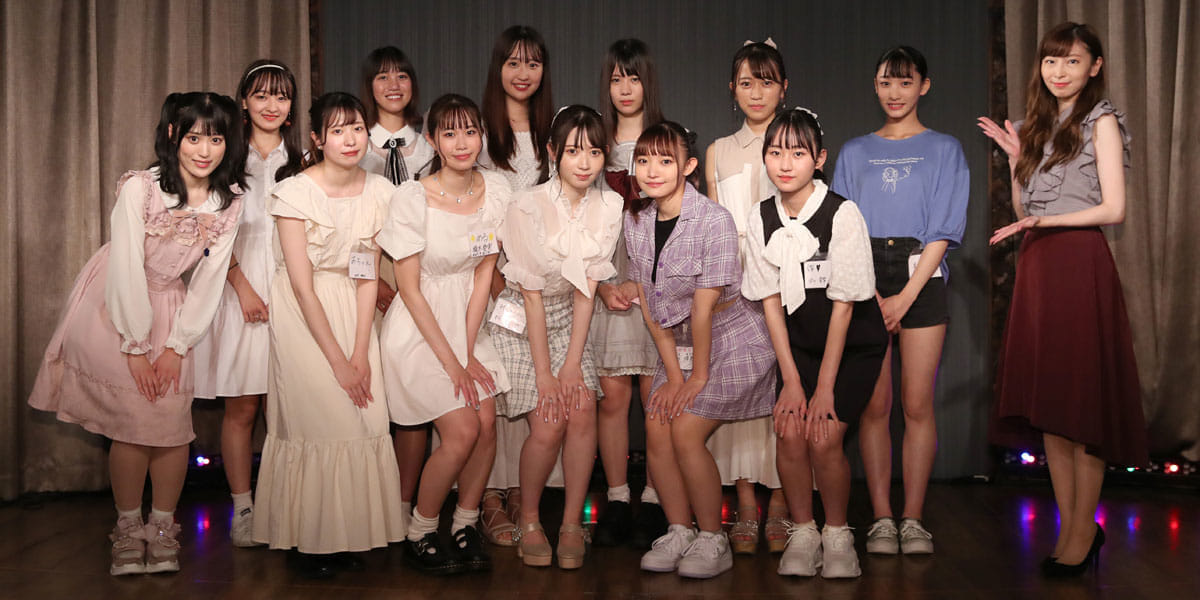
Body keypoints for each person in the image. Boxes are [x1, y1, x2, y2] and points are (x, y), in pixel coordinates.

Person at [29, 92, 246, 575]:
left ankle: (163, 527)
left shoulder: (228, 201)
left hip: (171, 306)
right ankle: (128, 528)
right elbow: (125, 263)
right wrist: (135, 345)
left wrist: (176, 345)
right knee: (131, 424)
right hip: (118, 301)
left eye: (216, 139)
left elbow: (210, 281)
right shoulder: (141, 188)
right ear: (173, 135)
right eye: (194, 138)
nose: (205, 150)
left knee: (170, 425)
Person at [978, 21, 1147, 577]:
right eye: (1052, 60)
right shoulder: (1036, 125)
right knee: (1051, 405)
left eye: (1072, 61)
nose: (1059, 71)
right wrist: (1014, 158)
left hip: (1079, 263)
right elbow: (1026, 208)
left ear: (1094, 67)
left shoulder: (1102, 122)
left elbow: (1113, 209)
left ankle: (1081, 531)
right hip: (1039, 266)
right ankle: (1073, 528)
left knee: (1081, 404)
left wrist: (1043, 222)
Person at [251, 92, 406, 578]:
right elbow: (301, 286)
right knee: (318, 419)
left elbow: (367, 273)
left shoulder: (380, 192)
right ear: (318, 139)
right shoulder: (294, 193)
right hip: (304, 313)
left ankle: (347, 534)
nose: (350, 139)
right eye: (337, 130)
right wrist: (338, 361)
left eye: (357, 128)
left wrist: (360, 351)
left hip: (353, 307)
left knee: (363, 417)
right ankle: (309, 540)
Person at [831, 45, 969, 555]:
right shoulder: (854, 151)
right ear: (875, 86)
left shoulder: (946, 148)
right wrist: (869, 291)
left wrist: (906, 297)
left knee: (916, 402)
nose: (895, 92)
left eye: (905, 82)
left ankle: (913, 518)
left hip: (921, 272)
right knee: (874, 405)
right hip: (863, 274)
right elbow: (841, 226)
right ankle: (882, 519)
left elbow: (944, 228)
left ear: (923, 87)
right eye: (886, 82)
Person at [627, 121, 776, 579]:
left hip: (732, 338)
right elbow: (650, 303)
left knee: (686, 430)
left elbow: (703, 308)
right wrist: (674, 376)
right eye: (643, 160)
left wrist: (695, 378)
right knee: (656, 424)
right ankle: (680, 529)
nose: (652, 170)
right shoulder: (636, 220)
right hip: (678, 343)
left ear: (689, 166)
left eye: (665, 160)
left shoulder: (714, 220)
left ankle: (713, 537)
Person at [743, 108, 887, 578]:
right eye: (775, 152)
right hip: (800, 347)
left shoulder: (842, 214)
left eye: (798, 153)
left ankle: (838, 533)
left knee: (823, 438)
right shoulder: (760, 216)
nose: (785, 164)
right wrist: (790, 380)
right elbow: (769, 303)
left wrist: (824, 389)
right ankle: (804, 531)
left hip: (852, 345)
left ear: (819, 159)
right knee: (789, 429)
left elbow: (844, 307)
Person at [379, 94, 511, 574]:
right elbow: (410, 290)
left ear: (482, 136)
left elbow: (483, 275)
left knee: (487, 420)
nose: (461, 143)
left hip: (467, 323)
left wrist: (468, 348)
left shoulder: (496, 191)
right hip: (419, 328)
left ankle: (465, 522)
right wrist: (453, 361)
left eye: (470, 131)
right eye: (449, 133)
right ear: (432, 140)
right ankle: (420, 530)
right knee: (462, 430)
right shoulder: (412, 197)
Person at [490, 105, 623, 570]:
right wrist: (547, 375)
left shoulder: (610, 206)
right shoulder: (525, 206)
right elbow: (529, 295)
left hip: (570, 315)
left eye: (594, 152)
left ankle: (570, 523)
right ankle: (529, 520)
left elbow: (587, 290)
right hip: (522, 320)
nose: (584, 163)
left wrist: (571, 366)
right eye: (573, 151)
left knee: (582, 408)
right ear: (552, 152)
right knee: (549, 420)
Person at [192, 60, 303, 547]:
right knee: (242, 407)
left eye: (281, 96)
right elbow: (207, 233)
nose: (271, 105)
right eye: (261, 95)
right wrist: (243, 287)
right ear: (243, 101)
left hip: (295, 294)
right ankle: (244, 508)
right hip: (240, 292)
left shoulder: (304, 159)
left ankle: (286, 504)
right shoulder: (224, 158)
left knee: (289, 408)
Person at [703, 39, 790, 555]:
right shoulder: (718, 150)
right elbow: (715, 225)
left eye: (766, 81)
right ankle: (743, 502)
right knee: (736, 391)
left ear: (784, 87)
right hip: (734, 286)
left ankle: (781, 500)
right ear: (732, 90)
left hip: (786, 279)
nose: (756, 92)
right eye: (746, 82)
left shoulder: (796, 138)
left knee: (782, 390)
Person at [478, 24, 558, 546]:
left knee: (529, 386)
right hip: (489, 276)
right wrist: (493, 283)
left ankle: (518, 491)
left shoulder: (555, 131)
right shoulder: (480, 133)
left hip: (544, 282)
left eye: (532, 63)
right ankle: (487, 495)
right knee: (495, 385)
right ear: (498, 68)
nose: (523, 73)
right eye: (513, 62)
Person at [589, 37, 668, 549]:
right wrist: (601, 285)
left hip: (658, 278)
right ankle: (617, 498)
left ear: (647, 82)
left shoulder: (669, 139)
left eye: (633, 77)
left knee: (656, 396)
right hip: (606, 277)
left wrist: (648, 280)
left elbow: (684, 220)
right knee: (614, 395)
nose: (624, 88)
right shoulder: (592, 141)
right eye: (616, 78)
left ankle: (658, 497)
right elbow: (575, 219)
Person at [357, 44, 437, 529]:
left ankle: (404, 504)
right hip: (363, 275)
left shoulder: (431, 147)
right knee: (368, 394)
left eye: (402, 75)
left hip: (420, 274)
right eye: (382, 76)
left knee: (412, 394)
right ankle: (368, 502)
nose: (393, 85)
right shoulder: (352, 140)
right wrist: (374, 281)